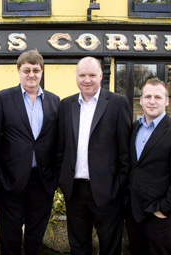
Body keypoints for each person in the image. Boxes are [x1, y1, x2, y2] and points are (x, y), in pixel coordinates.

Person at [0, 49, 60, 255]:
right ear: (19, 71)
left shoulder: (54, 101)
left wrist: (54, 178)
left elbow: (57, 143)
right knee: (9, 237)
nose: (31, 74)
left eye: (36, 70)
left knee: (35, 237)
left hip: (42, 182)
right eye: (26, 70)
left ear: (42, 72)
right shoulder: (3, 98)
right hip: (10, 182)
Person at [57, 56, 132, 254]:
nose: (87, 80)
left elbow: (126, 152)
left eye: (92, 75)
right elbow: (60, 148)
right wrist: (63, 182)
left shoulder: (117, 103)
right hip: (75, 192)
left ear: (101, 75)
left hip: (107, 192)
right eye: (82, 75)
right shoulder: (66, 105)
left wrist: (117, 187)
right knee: (78, 246)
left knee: (110, 246)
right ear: (76, 77)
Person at [125, 77, 171, 255]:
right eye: (147, 96)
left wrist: (163, 210)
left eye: (157, 97)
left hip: (159, 215)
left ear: (166, 101)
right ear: (140, 100)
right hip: (134, 212)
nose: (152, 101)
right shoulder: (134, 128)